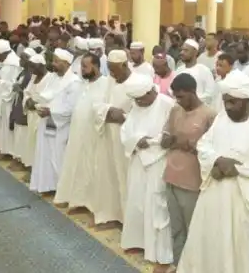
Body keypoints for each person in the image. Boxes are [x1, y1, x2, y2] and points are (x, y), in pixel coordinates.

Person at [178, 71, 249, 273]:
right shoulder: (222, 118)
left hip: (243, 200)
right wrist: (217, 161)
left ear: (247, 100)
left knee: (241, 250)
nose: (228, 106)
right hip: (213, 195)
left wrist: (237, 169)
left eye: (233, 102)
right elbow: (204, 145)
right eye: (225, 101)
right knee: (207, 241)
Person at [119, 74, 176, 271]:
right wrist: (137, 141)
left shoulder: (167, 104)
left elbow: (169, 136)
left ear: (151, 91)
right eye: (136, 100)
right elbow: (126, 130)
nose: (139, 103)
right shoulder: (137, 105)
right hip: (137, 159)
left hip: (159, 161)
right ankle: (138, 241)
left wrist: (149, 142)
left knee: (157, 206)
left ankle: (160, 253)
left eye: (141, 99)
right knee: (136, 201)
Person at [162, 73, 216, 268]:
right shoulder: (176, 110)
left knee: (193, 229)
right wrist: (172, 141)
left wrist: (187, 144)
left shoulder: (209, 115)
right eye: (176, 97)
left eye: (181, 96)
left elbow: (211, 150)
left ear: (193, 92)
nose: (178, 100)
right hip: (171, 177)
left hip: (192, 182)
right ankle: (178, 265)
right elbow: (166, 137)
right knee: (176, 229)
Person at [54, 53, 110, 210]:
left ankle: (86, 204)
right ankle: (72, 198)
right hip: (77, 134)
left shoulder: (106, 84)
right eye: (81, 66)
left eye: (85, 66)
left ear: (96, 66)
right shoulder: (81, 84)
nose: (82, 69)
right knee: (74, 166)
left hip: (93, 137)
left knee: (89, 170)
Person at [89, 49, 134, 227]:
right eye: (110, 69)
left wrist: (124, 117)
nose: (113, 73)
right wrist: (108, 110)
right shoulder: (110, 81)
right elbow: (96, 105)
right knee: (108, 176)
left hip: (126, 141)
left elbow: (142, 113)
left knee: (125, 178)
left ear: (125, 65)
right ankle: (110, 215)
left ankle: (127, 220)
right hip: (108, 136)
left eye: (115, 69)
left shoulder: (136, 83)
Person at [29, 48, 82, 193]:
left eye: (57, 61)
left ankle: (61, 189)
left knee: (58, 156)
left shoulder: (74, 82)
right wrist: (39, 105)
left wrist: (51, 111)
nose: (54, 64)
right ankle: (47, 185)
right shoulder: (53, 78)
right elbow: (46, 95)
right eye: (53, 61)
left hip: (62, 126)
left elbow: (71, 107)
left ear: (67, 63)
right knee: (45, 154)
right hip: (47, 121)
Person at [20, 54, 56, 181]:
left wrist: (36, 104)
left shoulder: (51, 78)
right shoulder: (34, 77)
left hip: (42, 116)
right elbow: (26, 92)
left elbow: (52, 97)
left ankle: (39, 174)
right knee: (32, 143)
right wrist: (27, 100)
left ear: (41, 65)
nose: (31, 70)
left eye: (33, 67)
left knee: (41, 145)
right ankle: (32, 169)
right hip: (32, 115)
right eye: (30, 67)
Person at [175, 39, 216, 105]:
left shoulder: (204, 70)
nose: (182, 53)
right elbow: (172, 90)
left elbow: (210, 94)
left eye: (186, 50)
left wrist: (191, 100)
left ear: (195, 52)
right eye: (181, 50)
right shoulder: (179, 70)